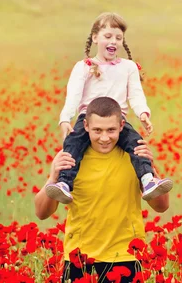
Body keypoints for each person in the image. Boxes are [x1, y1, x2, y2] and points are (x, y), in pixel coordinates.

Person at [34, 96, 169, 283]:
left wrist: (152, 166)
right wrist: (53, 176)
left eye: (111, 130)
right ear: (85, 126)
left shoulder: (135, 156)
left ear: (122, 126)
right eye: (97, 130)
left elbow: (161, 206)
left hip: (125, 258)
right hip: (79, 259)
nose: (104, 137)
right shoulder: (70, 159)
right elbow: (42, 212)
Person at [45, 12, 173, 204]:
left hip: (118, 121)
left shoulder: (128, 67)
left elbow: (135, 94)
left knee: (137, 143)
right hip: (87, 120)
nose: (113, 41)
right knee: (72, 144)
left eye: (118, 38)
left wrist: (143, 113)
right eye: (108, 36)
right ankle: (64, 183)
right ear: (95, 38)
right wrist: (65, 119)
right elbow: (73, 96)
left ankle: (147, 180)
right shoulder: (84, 67)